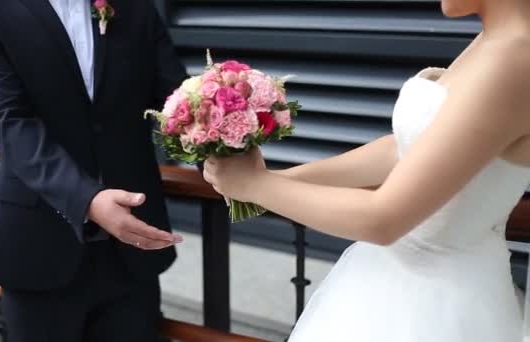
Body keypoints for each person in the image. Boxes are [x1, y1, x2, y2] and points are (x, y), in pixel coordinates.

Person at [203, 0, 530, 340]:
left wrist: (255, 187)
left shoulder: (514, 59)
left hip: (432, 306)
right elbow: (405, 148)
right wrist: (278, 181)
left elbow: (384, 218)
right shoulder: (493, 41)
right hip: (389, 283)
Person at [0, 0, 187, 340]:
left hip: (131, 249)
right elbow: (6, 120)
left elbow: (176, 99)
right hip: (37, 246)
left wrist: (227, 140)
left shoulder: (134, 5)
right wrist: (88, 199)